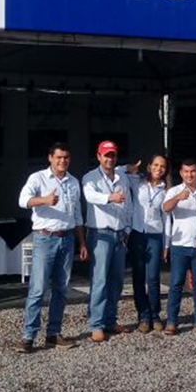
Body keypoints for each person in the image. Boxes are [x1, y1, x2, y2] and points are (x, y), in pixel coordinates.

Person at [15, 142, 87, 353]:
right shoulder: (38, 178)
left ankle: (53, 334)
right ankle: (28, 336)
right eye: (58, 157)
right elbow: (22, 200)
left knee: (61, 290)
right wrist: (44, 200)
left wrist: (82, 241)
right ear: (50, 158)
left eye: (66, 157)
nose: (62, 161)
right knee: (38, 288)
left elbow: (77, 215)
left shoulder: (73, 182)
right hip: (45, 238)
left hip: (67, 239)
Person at [81, 140, 135, 343]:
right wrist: (109, 198)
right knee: (100, 280)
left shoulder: (122, 177)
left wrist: (128, 228)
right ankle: (96, 323)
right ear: (98, 156)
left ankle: (110, 320)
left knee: (117, 280)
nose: (109, 158)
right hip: (100, 233)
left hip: (120, 233)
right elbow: (90, 196)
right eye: (106, 155)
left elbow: (129, 204)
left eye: (112, 155)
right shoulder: (90, 177)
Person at [161, 158, 196, 336]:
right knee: (176, 284)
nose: (189, 175)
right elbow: (165, 209)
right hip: (179, 246)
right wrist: (178, 198)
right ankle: (171, 322)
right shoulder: (174, 191)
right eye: (185, 171)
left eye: (192, 171)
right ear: (181, 173)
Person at [128, 153, 169, 333]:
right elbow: (117, 172)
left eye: (162, 166)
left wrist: (166, 244)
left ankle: (155, 314)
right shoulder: (137, 183)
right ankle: (143, 316)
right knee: (138, 277)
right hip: (137, 233)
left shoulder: (166, 190)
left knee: (152, 278)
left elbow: (167, 218)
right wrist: (130, 168)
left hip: (155, 235)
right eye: (155, 165)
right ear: (149, 167)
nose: (158, 169)